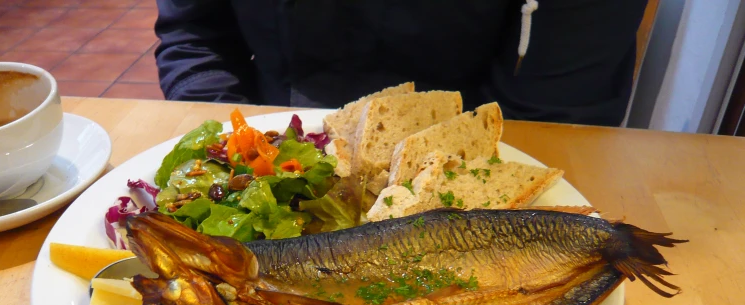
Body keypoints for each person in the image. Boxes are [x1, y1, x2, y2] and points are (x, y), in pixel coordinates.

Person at [154, 0, 648, 126]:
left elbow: (558, 116)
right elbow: (197, 37)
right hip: (273, 134)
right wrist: (237, 152)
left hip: (477, 159)